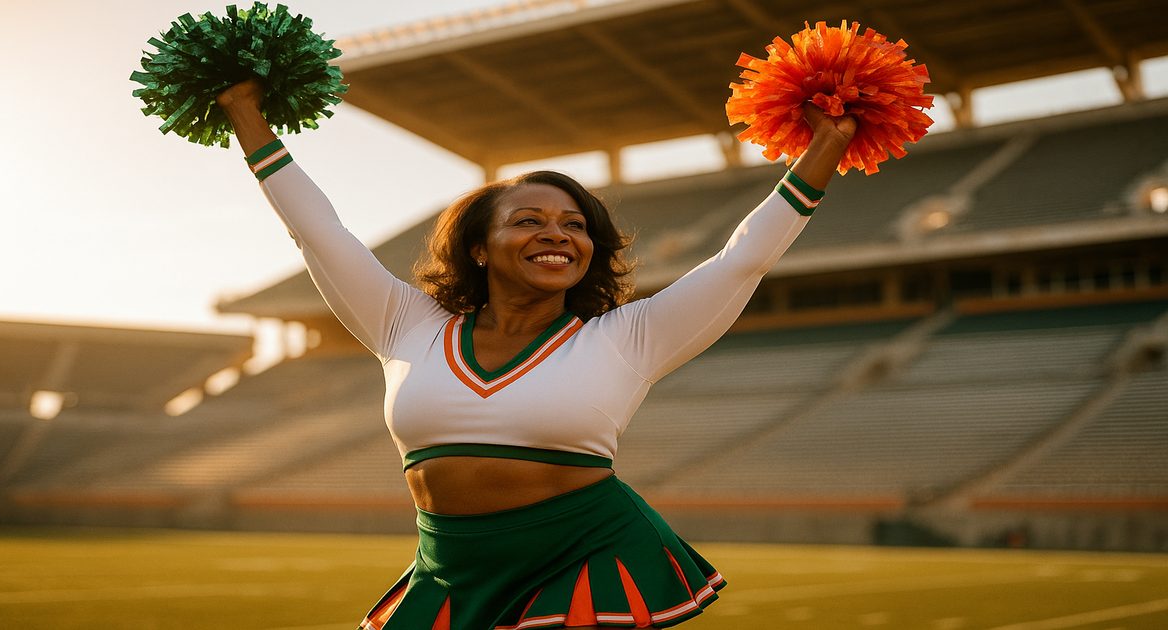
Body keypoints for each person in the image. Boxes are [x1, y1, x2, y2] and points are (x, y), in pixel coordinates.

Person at [216, 78, 855, 630]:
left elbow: (744, 257)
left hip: (584, 554)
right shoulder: (407, 323)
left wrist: (826, 144)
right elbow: (317, 229)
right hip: (450, 568)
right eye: (527, 220)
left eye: (575, 225)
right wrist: (245, 110)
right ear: (479, 247)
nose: (556, 233)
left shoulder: (628, 337)